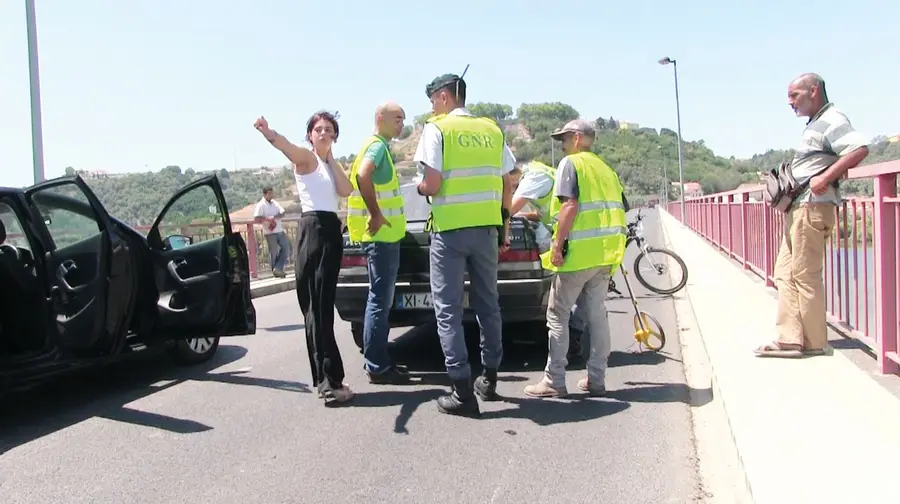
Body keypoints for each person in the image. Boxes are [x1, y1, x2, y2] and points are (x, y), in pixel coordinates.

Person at [414, 73, 516, 417]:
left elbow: (432, 182)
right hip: (487, 230)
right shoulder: (491, 129)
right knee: (489, 305)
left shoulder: (437, 129)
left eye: (432, 100)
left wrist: (420, 188)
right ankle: (488, 379)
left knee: (448, 310)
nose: (431, 108)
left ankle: (461, 391)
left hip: (450, 231)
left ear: (444, 97)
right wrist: (505, 225)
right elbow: (507, 181)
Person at [754, 73, 869, 358]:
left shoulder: (834, 119)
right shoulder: (816, 123)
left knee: (805, 274)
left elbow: (859, 149)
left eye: (794, 96)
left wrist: (824, 178)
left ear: (813, 91)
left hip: (812, 206)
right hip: (801, 208)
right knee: (784, 271)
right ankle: (791, 338)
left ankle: (814, 341)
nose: (790, 102)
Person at [253, 111, 355, 404]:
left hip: (330, 232)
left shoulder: (325, 164)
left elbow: (346, 190)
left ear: (335, 136)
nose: (323, 133)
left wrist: (332, 158)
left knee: (322, 309)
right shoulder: (307, 160)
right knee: (317, 309)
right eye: (318, 129)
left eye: (329, 130)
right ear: (310, 134)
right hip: (314, 231)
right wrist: (267, 132)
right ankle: (328, 381)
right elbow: (286, 146)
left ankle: (329, 379)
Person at [524, 119, 627, 398]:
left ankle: (554, 380)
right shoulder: (606, 169)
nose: (563, 145)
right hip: (605, 255)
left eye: (566, 139)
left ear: (579, 138)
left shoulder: (572, 164)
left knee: (557, 315)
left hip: (579, 255)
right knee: (597, 317)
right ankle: (597, 379)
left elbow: (570, 205)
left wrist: (557, 245)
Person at [347, 102, 411, 384]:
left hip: (384, 237)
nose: (401, 124)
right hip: (382, 238)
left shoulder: (377, 145)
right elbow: (363, 174)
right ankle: (377, 366)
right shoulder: (376, 147)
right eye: (397, 119)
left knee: (379, 299)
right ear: (380, 118)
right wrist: (375, 213)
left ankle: (377, 362)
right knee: (379, 301)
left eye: (403, 119)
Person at [508, 161, 593, 364]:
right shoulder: (541, 171)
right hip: (577, 235)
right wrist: (525, 216)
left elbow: (508, 209)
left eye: (509, 185)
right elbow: (541, 212)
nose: (510, 189)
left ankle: (568, 348)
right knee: (586, 295)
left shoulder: (532, 178)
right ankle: (576, 340)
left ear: (512, 176)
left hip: (569, 238)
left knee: (562, 303)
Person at [253, 187, 291, 278]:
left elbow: (283, 212)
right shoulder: (261, 205)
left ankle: (278, 268)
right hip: (269, 232)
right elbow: (256, 218)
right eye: (269, 193)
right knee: (273, 252)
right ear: (264, 194)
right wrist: (267, 219)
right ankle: (276, 271)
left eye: (271, 193)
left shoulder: (275, 203)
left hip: (279, 230)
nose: (271, 195)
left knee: (286, 248)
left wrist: (274, 217)